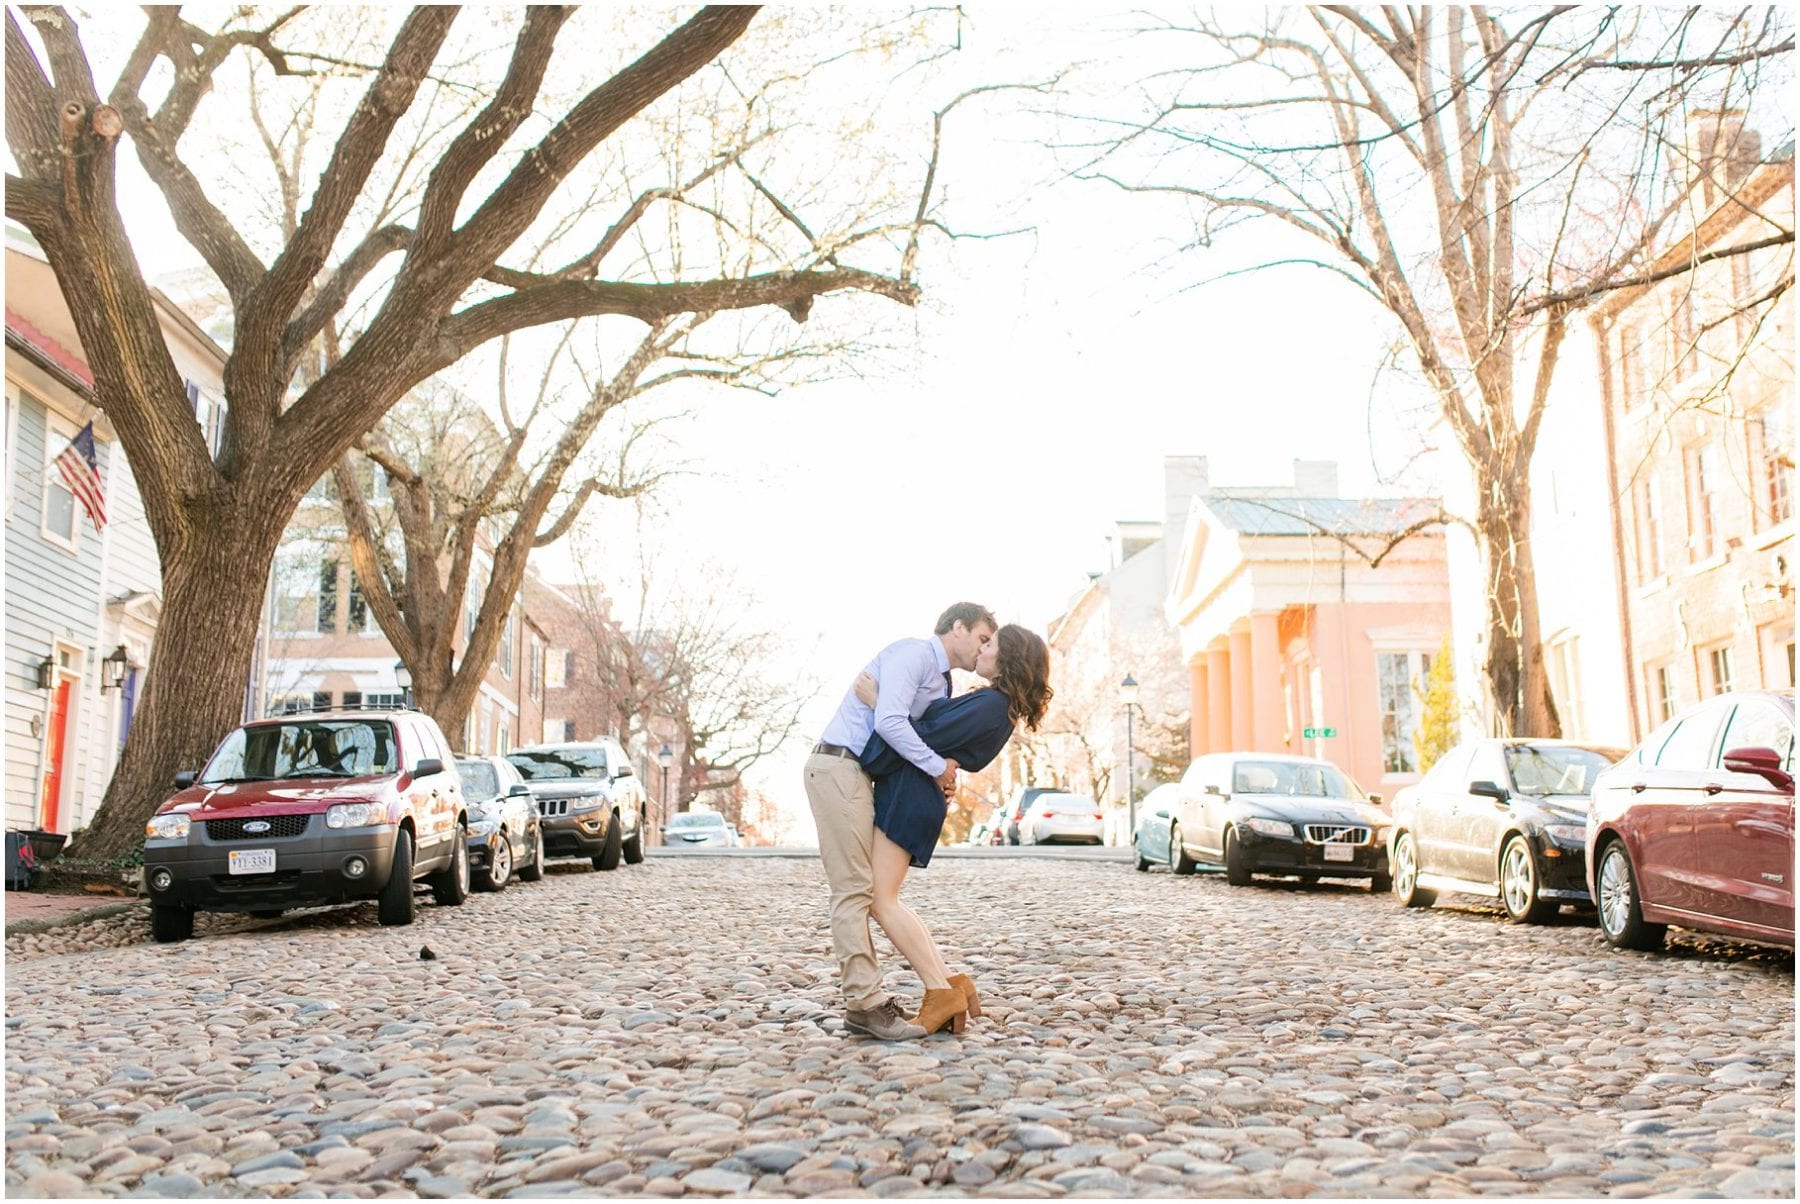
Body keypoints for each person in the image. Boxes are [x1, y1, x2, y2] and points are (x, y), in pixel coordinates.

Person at [804, 603, 997, 1040]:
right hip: (838, 766)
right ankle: (866, 1005)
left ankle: (933, 988)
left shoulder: (941, 681)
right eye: (982, 638)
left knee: (868, 889)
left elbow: (912, 728)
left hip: (861, 775)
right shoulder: (913, 655)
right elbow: (891, 722)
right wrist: (935, 767)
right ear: (958, 628)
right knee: (854, 889)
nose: (984, 648)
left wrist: (942, 769)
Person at [855, 622, 1053, 1036]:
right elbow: (932, 742)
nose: (981, 651)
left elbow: (918, 736)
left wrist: (878, 702)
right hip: (913, 793)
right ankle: (949, 984)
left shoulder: (992, 707)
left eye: (990, 645)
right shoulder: (992, 704)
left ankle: (939, 990)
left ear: (1007, 658)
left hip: (910, 795)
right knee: (884, 897)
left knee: (880, 898)